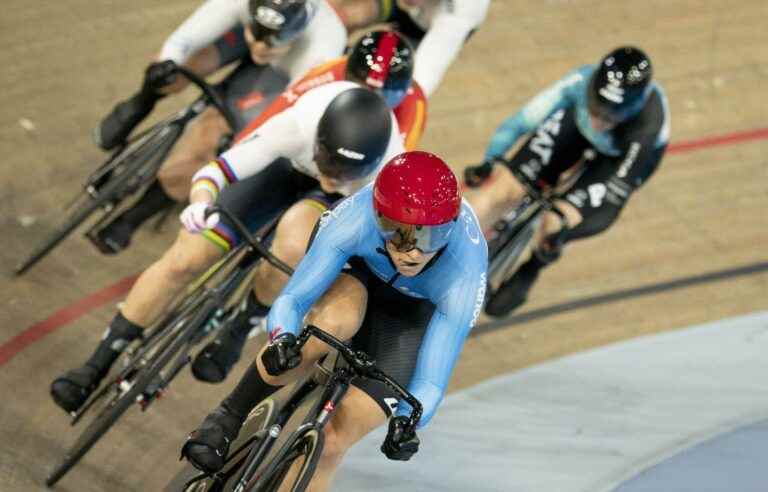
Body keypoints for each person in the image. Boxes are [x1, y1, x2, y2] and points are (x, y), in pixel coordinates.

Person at [50, 82, 404, 413]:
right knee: (184, 259)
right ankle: (96, 362)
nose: (332, 176)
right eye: (329, 165)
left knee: (294, 245)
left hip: (327, 202)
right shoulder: (296, 126)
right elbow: (217, 172)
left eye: (344, 174)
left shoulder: (386, 178)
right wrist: (199, 203)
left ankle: (244, 320)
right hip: (282, 167)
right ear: (319, 141)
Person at [180, 151, 488, 492]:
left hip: (411, 314)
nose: (411, 251)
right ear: (377, 217)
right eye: (396, 232)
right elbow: (293, 300)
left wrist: (407, 422)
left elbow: (431, 382)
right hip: (358, 272)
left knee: (332, 442)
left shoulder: (466, 271)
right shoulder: (355, 219)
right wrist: (284, 339)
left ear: (449, 229)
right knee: (329, 328)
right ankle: (228, 416)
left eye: (428, 237)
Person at [91, 28, 426, 254]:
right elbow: (280, 116)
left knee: (304, 241)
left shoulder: (413, 106)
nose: (367, 99)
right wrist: (242, 148)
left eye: (383, 95)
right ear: (347, 74)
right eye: (358, 84)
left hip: (346, 175)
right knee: (213, 145)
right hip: (304, 146)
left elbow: (387, 179)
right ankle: (136, 209)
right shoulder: (329, 73)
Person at [88, 0, 348, 254]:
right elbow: (183, 40)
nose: (259, 45)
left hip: (285, 76)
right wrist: (165, 66)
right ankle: (138, 103)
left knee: (209, 140)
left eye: (271, 40)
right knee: (174, 69)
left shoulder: (322, 45)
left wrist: (243, 141)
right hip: (238, 33)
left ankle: (133, 217)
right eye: (258, 34)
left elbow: (286, 116)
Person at [463, 46, 671, 317]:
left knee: (556, 222)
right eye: (596, 107)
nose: (599, 120)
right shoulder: (579, 81)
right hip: (576, 127)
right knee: (502, 188)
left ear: (634, 108)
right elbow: (522, 121)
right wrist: (491, 160)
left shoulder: (647, 125)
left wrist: (563, 234)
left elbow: (610, 206)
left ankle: (535, 263)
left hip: (621, 160)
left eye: (611, 116)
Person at [329, 0, 490, 96]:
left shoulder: (460, 15)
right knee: (342, 16)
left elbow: (418, 86)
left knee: (389, 79)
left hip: (422, 30)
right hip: (412, 10)